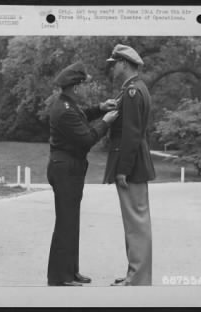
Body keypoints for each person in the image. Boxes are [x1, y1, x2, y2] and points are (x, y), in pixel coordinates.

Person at [47, 62, 119, 286]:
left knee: (71, 221)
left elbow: (83, 115)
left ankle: (71, 270)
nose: (86, 88)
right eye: (84, 85)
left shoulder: (68, 104)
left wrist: (100, 108)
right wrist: (105, 123)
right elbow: (87, 139)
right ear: (76, 87)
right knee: (66, 222)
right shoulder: (65, 110)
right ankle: (60, 277)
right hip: (65, 169)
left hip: (69, 168)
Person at [103, 44, 156, 286]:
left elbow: (132, 134)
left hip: (131, 166)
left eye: (114, 63)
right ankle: (134, 274)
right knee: (133, 224)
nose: (112, 68)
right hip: (133, 164)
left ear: (124, 63)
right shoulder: (131, 89)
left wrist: (122, 169)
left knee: (136, 224)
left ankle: (138, 279)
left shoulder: (133, 91)